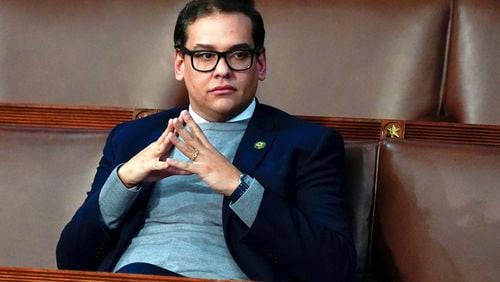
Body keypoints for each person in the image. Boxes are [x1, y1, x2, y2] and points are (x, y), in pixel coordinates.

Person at [56, 0, 356, 281]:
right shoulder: (132, 138)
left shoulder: (307, 144)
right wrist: (123, 183)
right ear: (179, 64)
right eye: (205, 56)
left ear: (260, 63)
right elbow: (70, 261)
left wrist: (239, 187)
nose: (222, 70)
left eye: (238, 55)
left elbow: (334, 267)